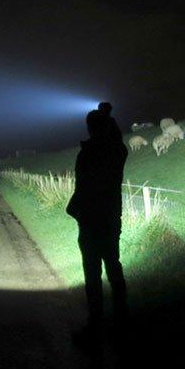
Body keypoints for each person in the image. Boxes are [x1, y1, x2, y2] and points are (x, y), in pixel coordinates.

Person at [66, 102, 128, 349]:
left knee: (92, 276)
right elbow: (118, 141)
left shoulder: (86, 154)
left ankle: (95, 327)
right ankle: (122, 322)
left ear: (89, 129)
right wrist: (107, 116)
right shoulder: (116, 153)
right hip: (110, 220)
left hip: (90, 222)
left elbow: (82, 188)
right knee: (114, 268)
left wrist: (75, 210)